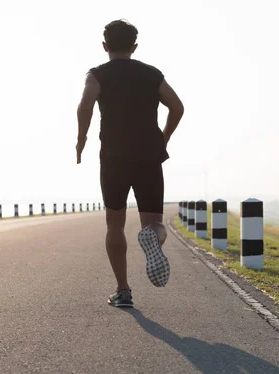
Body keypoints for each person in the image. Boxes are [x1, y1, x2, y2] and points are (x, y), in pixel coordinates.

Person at [76, 20, 184, 307]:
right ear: (135, 46)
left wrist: (81, 137)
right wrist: (164, 138)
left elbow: (85, 104)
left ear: (105, 46)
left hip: (113, 157)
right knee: (154, 223)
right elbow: (177, 107)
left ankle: (123, 290)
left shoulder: (97, 75)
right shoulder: (151, 75)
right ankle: (152, 237)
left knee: (115, 223)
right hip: (149, 155)